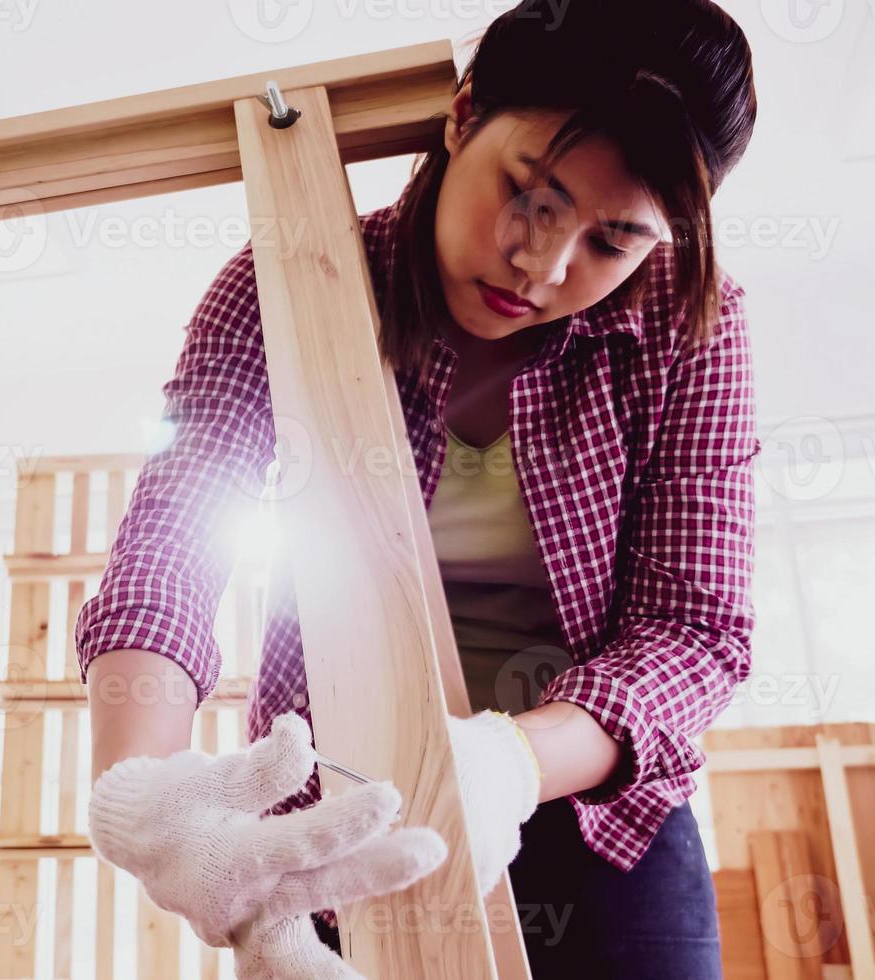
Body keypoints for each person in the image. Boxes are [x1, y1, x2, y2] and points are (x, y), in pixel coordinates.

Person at [75, 1, 760, 976]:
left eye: (611, 241)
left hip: (599, 818)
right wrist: (140, 792)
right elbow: (172, 543)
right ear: (463, 113)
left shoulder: (689, 323)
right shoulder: (279, 288)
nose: (543, 264)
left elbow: (695, 628)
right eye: (528, 196)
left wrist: (507, 764)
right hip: (345, 817)